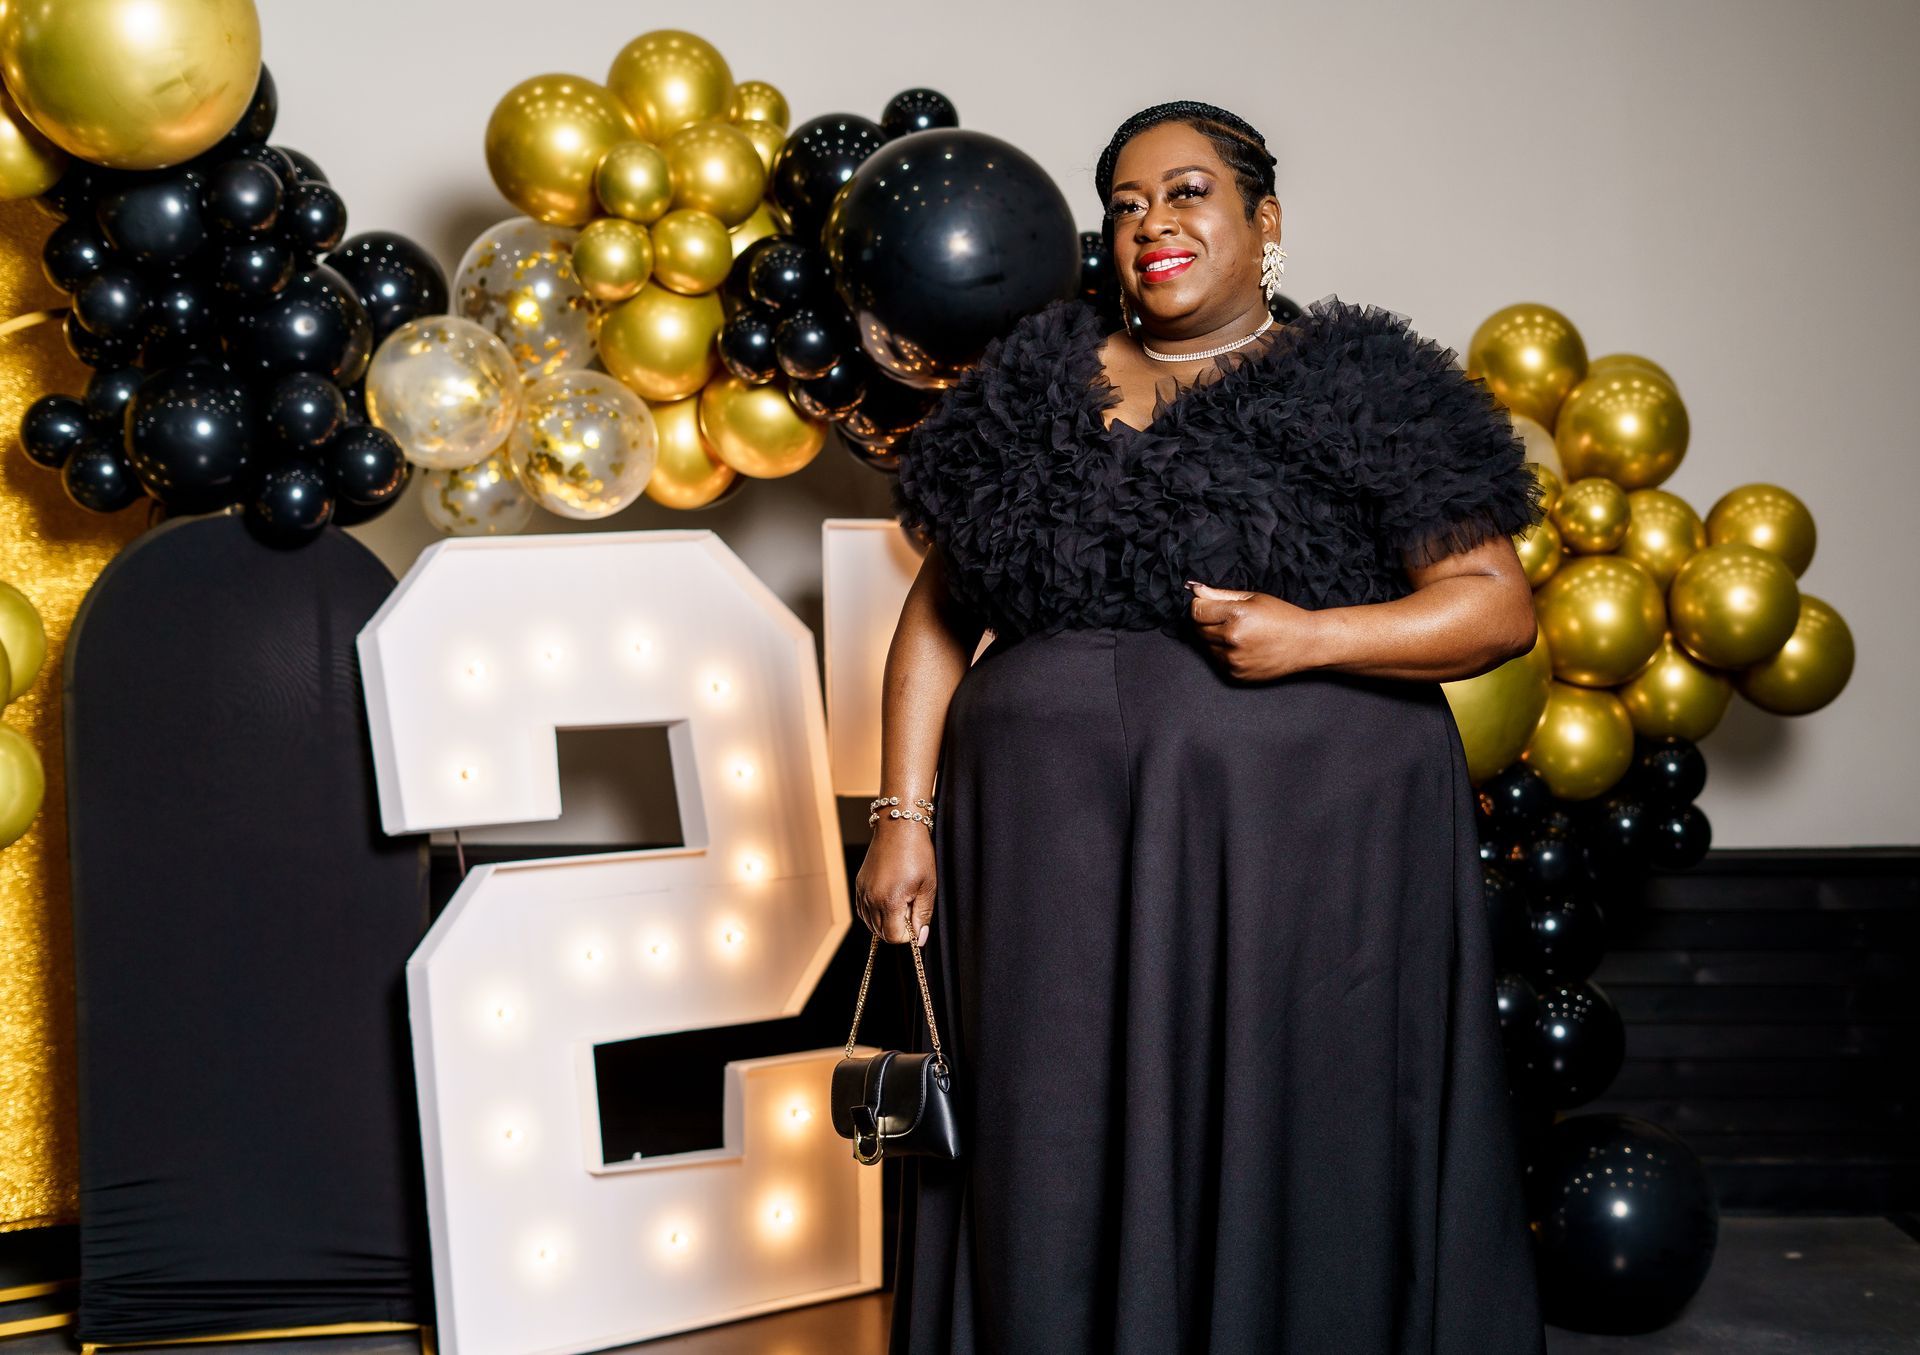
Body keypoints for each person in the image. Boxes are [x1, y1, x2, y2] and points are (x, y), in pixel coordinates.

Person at [855, 99, 1549, 1355]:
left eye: (1187, 194)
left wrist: (1311, 636)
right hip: (1049, 859)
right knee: (1052, 1132)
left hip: (1291, 861)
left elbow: (1494, 609)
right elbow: (938, 617)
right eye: (1125, 205)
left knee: (1277, 1137)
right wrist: (901, 816)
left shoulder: (1361, 383)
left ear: (1262, 220)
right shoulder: (1034, 382)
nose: (1152, 226)